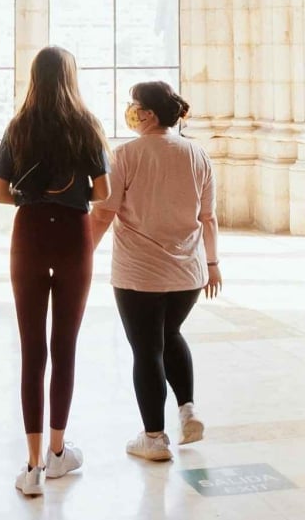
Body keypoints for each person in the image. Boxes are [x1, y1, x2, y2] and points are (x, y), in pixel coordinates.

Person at [0, 46, 112, 496]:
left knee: (31, 350)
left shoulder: (18, 127)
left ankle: (33, 466)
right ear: (70, 77)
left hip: (30, 234)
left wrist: (31, 194)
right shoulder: (87, 126)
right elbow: (103, 192)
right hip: (73, 238)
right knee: (65, 347)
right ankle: (59, 453)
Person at [89, 81, 221, 463]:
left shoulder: (126, 155)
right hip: (189, 274)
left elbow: (103, 213)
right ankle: (188, 410)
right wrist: (212, 265)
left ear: (147, 114)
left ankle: (154, 438)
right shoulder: (197, 154)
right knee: (171, 333)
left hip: (139, 275)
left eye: (133, 105)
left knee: (146, 349)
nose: (130, 110)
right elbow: (208, 218)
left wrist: (83, 255)